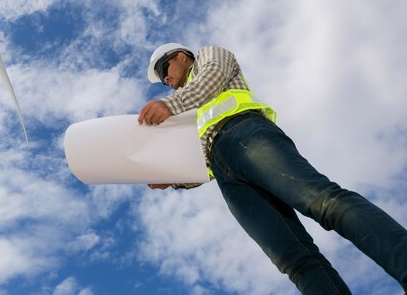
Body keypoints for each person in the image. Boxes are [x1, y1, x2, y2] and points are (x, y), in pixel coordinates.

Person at [138, 43, 407, 295]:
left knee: (324, 203)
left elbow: (214, 75)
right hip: (225, 171)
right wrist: (174, 181)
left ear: (181, 57)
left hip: (246, 133)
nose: (165, 81)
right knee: (292, 258)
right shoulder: (189, 109)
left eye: (165, 70)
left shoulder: (210, 56)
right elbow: (203, 161)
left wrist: (170, 105)